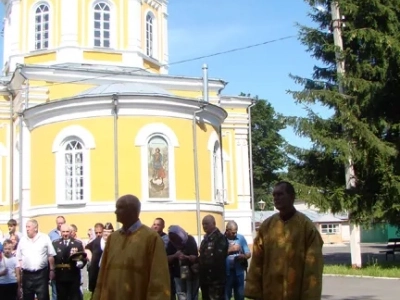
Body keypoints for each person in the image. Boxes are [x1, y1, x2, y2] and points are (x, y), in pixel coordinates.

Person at [244, 181, 324, 300]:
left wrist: (310, 296)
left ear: (292, 197)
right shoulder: (267, 226)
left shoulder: (306, 227)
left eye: (280, 194)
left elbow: (313, 267)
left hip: (296, 293)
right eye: (274, 195)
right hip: (270, 293)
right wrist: (254, 291)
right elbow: (257, 261)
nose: (276, 198)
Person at [92, 194, 170, 300]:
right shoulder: (112, 238)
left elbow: (159, 278)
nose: (115, 212)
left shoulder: (151, 238)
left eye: (120, 208)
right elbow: (102, 275)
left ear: (132, 210)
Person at [17, 219, 56, 300]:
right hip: (27, 275)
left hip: (41, 274)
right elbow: (19, 258)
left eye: (29, 227)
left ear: (35, 228)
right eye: (26, 227)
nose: (27, 229)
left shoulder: (45, 238)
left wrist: (52, 270)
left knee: (43, 297)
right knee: (27, 297)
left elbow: (50, 255)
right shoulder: (23, 240)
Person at [198, 215, 228, 300]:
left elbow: (218, 258)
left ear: (214, 223)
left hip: (216, 280)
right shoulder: (205, 240)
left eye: (207, 224)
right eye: (203, 224)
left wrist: (203, 261)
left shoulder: (220, 238)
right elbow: (203, 256)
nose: (204, 226)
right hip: (205, 280)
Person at [53, 224, 86, 300]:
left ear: (70, 232)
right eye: (63, 232)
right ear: (60, 232)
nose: (65, 234)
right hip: (60, 275)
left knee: (74, 297)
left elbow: (83, 257)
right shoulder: (55, 244)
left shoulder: (77, 243)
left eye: (67, 231)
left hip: (73, 275)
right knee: (61, 297)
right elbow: (52, 258)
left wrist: (81, 263)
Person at [166, 225, 199, 300]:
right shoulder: (170, 243)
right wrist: (175, 255)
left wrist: (186, 257)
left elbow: (195, 257)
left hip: (191, 273)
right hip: (178, 274)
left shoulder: (190, 240)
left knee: (192, 295)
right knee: (181, 294)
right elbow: (166, 259)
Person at [85, 222, 113, 296]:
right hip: (96, 274)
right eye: (105, 232)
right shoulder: (96, 242)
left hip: (110, 274)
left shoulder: (115, 242)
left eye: (109, 232)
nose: (106, 234)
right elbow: (87, 248)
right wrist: (91, 259)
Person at [225, 221, 251, 300]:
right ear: (227, 231)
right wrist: (230, 250)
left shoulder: (241, 238)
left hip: (238, 272)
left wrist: (244, 256)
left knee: (240, 296)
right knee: (226, 296)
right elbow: (217, 255)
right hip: (226, 273)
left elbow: (248, 253)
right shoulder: (221, 239)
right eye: (233, 233)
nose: (235, 234)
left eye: (236, 232)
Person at [49, 216, 66, 300]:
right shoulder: (51, 234)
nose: (60, 224)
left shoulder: (68, 231)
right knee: (55, 292)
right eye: (58, 223)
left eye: (61, 223)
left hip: (66, 267)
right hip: (55, 265)